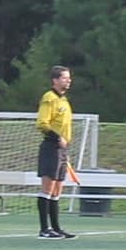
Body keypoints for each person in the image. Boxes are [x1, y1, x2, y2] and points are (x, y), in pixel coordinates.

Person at [34, 66, 75, 240]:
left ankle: (56, 227)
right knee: (48, 188)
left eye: (69, 78)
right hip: (51, 147)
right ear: (55, 80)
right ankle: (44, 228)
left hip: (62, 150)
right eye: (65, 78)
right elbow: (42, 123)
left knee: (57, 189)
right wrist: (57, 137)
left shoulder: (64, 100)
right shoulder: (49, 98)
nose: (68, 81)